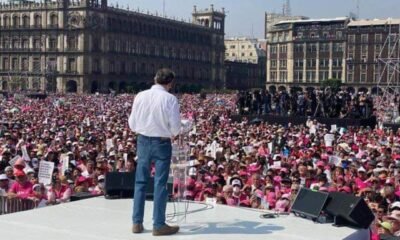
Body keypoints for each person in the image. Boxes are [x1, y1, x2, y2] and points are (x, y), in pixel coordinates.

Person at [129, 68, 181, 236]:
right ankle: (158, 225)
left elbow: (132, 124)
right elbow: (175, 128)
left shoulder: (140, 95)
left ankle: (136, 223)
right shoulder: (170, 99)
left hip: (143, 140)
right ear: (170, 83)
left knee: (140, 182)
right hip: (162, 142)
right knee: (160, 184)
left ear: (155, 79)